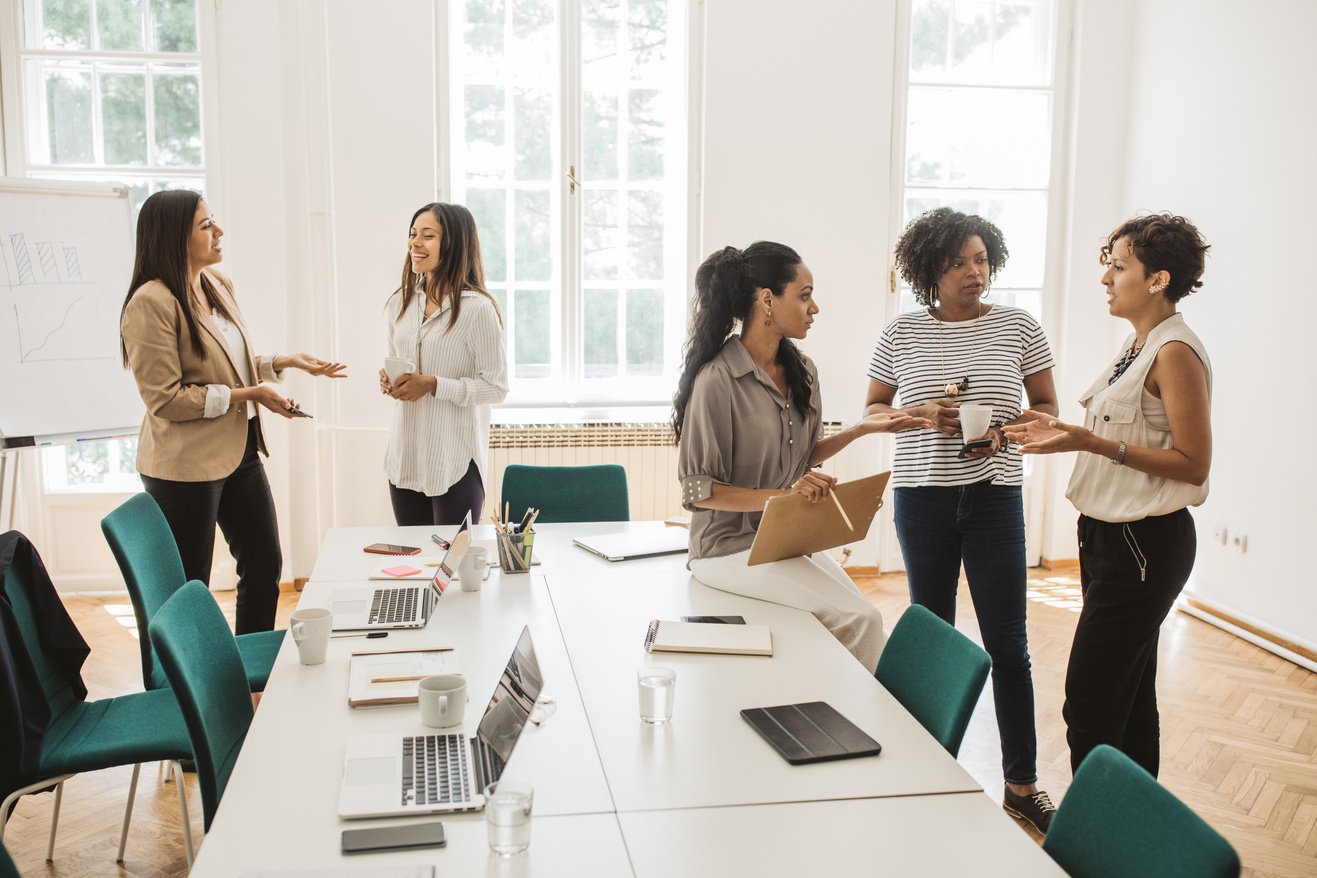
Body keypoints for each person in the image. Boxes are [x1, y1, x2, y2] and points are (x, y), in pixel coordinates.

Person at [863, 207, 1059, 832]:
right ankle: (927, 769)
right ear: (928, 270)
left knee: (1010, 643)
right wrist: (922, 413)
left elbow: (1049, 407)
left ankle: (1022, 783)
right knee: (934, 636)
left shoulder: (1019, 326)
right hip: (923, 499)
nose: (974, 272)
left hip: (995, 497)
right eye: (957, 263)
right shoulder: (900, 335)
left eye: (980, 259)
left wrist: (1003, 433)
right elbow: (871, 411)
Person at [1004, 213, 1212, 780]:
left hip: (1143, 546)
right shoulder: (1136, 343)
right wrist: (1064, 435)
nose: (1105, 278)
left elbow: (1194, 465)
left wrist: (1091, 441)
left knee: (1091, 703)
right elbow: (1128, 434)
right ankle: (1137, 841)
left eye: (1118, 267)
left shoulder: (1174, 352)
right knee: (1129, 698)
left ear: (1157, 280)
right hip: (1105, 538)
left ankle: (1092, 845)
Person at [674, 242, 927, 672]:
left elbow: (802, 457)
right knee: (860, 619)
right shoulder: (717, 379)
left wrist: (861, 429)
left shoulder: (803, 370)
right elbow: (699, 491)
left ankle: (845, 711)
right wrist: (783, 496)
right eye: (805, 295)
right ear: (767, 300)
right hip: (725, 550)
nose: (815, 308)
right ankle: (879, 726)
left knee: (864, 618)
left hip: (785, 538)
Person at [120, 190, 346, 634]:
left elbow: (225, 365)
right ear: (173, 238)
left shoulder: (215, 285)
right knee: (190, 587)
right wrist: (252, 394)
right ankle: (189, 689)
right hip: (183, 467)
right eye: (205, 226)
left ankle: (247, 670)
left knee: (265, 564)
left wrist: (282, 363)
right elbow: (165, 399)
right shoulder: (151, 302)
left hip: (238, 451)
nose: (218, 231)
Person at [379, 202, 508, 526]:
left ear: (454, 243)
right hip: (405, 459)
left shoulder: (477, 309)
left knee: (453, 567)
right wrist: (389, 380)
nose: (415, 244)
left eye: (428, 235)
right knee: (413, 565)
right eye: (412, 235)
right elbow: (397, 361)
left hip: (455, 462)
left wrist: (434, 384)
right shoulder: (400, 303)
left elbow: (496, 387)